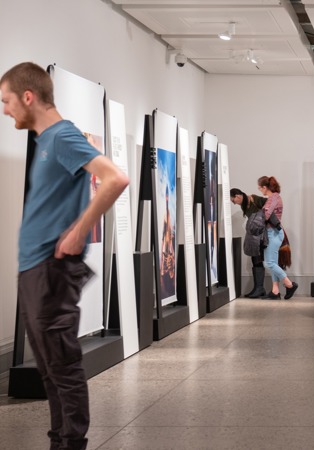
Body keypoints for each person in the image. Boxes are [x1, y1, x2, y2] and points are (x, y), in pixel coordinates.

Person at [2, 62, 129, 450]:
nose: (5, 110)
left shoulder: (61, 136)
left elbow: (116, 178)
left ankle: (70, 443)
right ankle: (60, 440)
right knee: (49, 368)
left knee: (62, 365)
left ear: (28, 97)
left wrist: (77, 230)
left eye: (6, 101)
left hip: (51, 269)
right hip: (35, 268)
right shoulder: (46, 141)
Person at [257, 176, 298, 300]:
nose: (260, 190)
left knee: (268, 263)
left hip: (273, 233)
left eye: (260, 188)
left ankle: (289, 285)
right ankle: (275, 291)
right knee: (273, 262)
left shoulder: (273, 198)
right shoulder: (274, 197)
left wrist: (260, 215)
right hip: (274, 233)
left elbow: (267, 215)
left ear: (265, 187)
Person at [230, 187, 267, 298]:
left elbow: (270, 205)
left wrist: (264, 223)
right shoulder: (243, 205)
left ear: (238, 196)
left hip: (261, 235)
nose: (234, 203)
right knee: (254, 258)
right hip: (253, 236)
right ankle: (258, 288)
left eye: (233, 200)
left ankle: (260, 288)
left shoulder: (254, 199)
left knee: (258, 259)